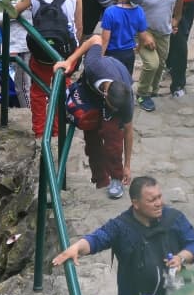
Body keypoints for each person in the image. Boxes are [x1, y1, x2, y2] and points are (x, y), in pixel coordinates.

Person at [52, 176, 194, 295]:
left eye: (159, 197)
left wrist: (180, 258)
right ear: (135, 203)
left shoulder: (174, 218)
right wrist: (77, 247)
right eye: (152, 200)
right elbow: (98, 239)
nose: (159, 203)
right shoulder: (121, 226)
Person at [53, 35, 136, 198]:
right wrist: (69, 61)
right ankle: (100, 179)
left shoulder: (125, 100)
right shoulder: (94, 66)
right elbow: (96, 39)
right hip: (90, 91)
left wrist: (127, 166)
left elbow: (128, 130)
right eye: (112, 108)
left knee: (113, 138)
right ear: (105, 95)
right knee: (91, 133)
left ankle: (116, 178)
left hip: (113, 84)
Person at [14, 0, 82, 139]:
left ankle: (40, 131)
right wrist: (74, 50)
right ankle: (58, 130)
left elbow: (13, 12)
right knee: (62, 87)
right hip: (64, 53)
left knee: (37, 91)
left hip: (41, 50)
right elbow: (79, 25)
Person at [133, 0, 183, 112]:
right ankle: (142, 93)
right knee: (151, 64)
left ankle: (152, 90)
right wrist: (143, 34)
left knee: (161, 63)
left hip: (164, 30)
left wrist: (176, 18)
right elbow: (131, 10)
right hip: (144, 30)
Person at [101, 0, 150, 76]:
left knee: (112, 81)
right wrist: (138, 48)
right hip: (129, 54)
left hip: (112, 54)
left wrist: (99, 58)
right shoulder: (139, 11)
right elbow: (143, 36)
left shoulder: (110, 12)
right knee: (126, 80)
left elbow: (105, 40)